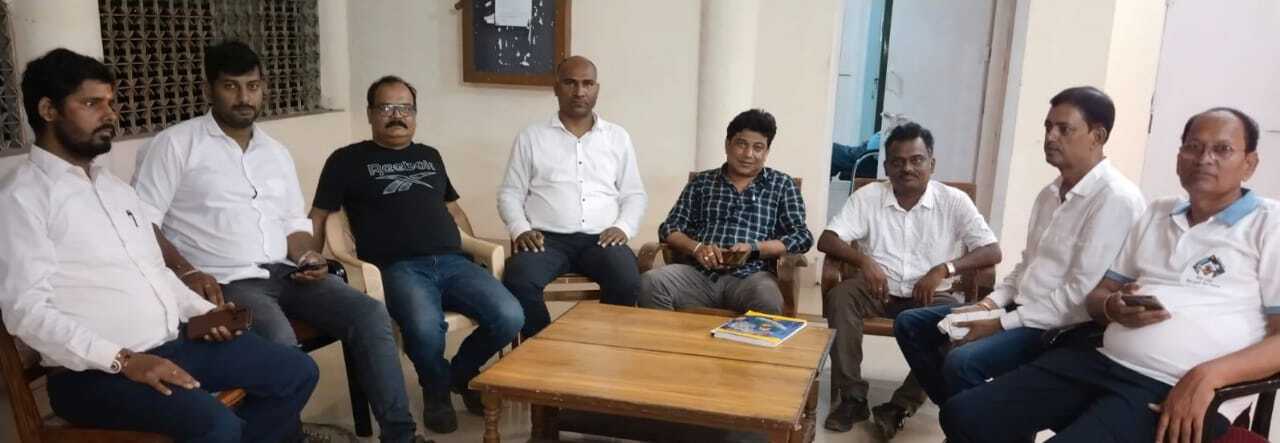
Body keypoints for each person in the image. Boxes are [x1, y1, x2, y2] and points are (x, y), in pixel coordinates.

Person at [0, 48, 318, 443]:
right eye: (92, 103)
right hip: (92, 375)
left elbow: (154, 272)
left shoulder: (114, 189)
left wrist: (206, 313)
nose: (110, 114)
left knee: (296, 372)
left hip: (173, 344)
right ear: (48, 110)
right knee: (216, 425)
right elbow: (26, 312)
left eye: (111, 103)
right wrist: (124, 360)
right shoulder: (20, 199)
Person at [132, 41, 426, 442]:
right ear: (209, 89)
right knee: (281, 342)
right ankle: (288, 435)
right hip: (228, 282)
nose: (243, 97)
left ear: (264, 88)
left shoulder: (275, 152)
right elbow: (141, 221)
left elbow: (292, 223)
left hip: (287, 273)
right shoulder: (175, 145)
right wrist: (186, 272)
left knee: (370, 314)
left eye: (252, 86)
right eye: (231, 86)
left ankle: (400, 435)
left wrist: (307, 255)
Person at [941, 107, 1277, 443]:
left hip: (1173, 385)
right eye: (1193, 147)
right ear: (1179, 158)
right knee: (962, 414)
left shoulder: (1269, 224)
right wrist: (1112, 307)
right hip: (1103, 361)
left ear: (1250, 163)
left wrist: (1209, 375)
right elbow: (1099, 296)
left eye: (1222, 149)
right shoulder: (1159, 212)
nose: (1204, 159)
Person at [893, 86, 1146, 405]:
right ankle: (965, 419)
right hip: (1022, 309)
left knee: (962, 361)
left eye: (1064, 129)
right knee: (911, 324)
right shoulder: (1049, 195)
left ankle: (970, 420)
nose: (1050, 137)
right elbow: (1027, 266)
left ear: (1097, 135)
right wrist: (988, 305)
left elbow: (1079, 294)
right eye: (1048, 127)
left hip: (1062, 326)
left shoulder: (1115, 199)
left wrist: (999, 323)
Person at [309, 75, 524, 432]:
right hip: (399, 267)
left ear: (415, 114)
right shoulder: (346, 160)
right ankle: (437, 392)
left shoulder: (429, 155)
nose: (397, 116)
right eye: (387, 107)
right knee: (424, 330)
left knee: (510, 315)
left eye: (405, 108)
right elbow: (319, 215)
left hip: (453, 262)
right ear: (370, 113)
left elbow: (454, 211)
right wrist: (309, 257)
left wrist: (476, 252)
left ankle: (459, 374)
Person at [818, 122, 1001, 437]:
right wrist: (864, 261)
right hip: (876, 289)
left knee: (953, 323)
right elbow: (827, 239)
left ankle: (899, 406)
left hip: (930, 294)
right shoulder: (869, 196)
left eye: (916, 160)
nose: (907, 168)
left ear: (932, 163)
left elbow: (992, 250)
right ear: (886, 167)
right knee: (840, 297)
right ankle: (852, 397)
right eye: (898, 162)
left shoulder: (953, 200)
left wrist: (944, 269)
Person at [498, 55, 647, 338]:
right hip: (546, 240)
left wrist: (623, 227)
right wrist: (521, 229)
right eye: (570, 83)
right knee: (519, 280)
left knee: (627, 281)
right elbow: (510, 193)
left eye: (587, 84)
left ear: (596, 89)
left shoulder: (617, 137)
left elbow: (634, 194)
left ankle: (604, 349)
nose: (579, 92)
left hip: (603, 240)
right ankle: (544, 350)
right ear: (556, 87)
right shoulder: (532, 136)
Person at [638, 109, 813, 314]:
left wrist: (754, 248)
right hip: (699, 274)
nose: (748, 154)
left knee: (767, 298)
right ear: (727, 145)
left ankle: (746, 338)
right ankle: (668, 336)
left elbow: (801, 237)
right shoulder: (702, 182)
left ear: (766, 152)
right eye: (741, 144)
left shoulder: (782, 185)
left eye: (758, 147)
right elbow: (670, 228)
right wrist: (697, 248)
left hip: (752, 277)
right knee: (651, 283)